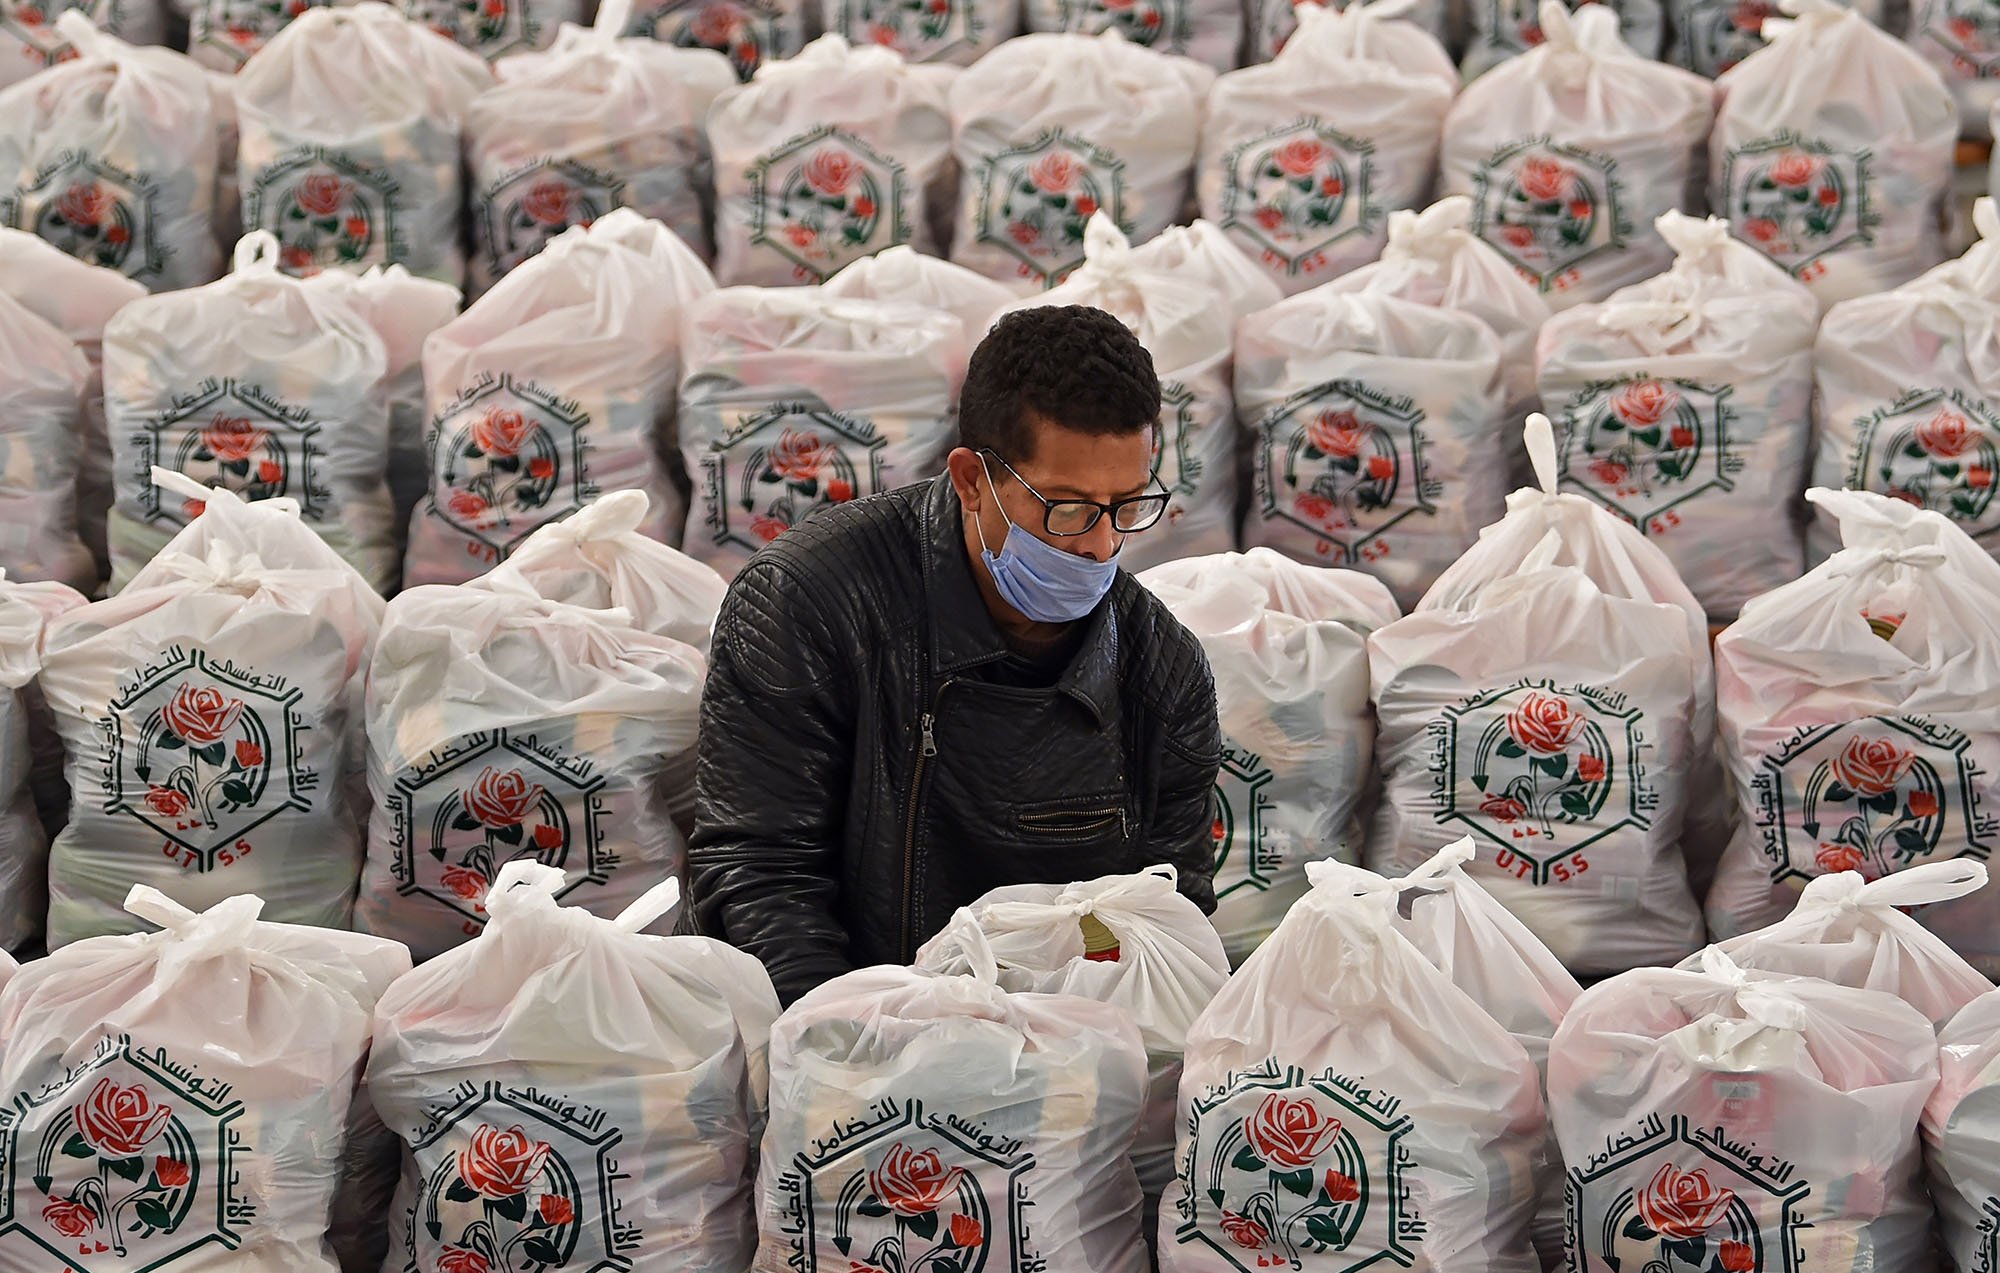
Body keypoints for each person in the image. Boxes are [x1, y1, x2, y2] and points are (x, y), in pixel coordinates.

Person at [685, 305, 1222, 1004]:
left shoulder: (1161, 674)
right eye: (1067, 509)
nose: (1100, 545)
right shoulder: (811, 604)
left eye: (1125, 506)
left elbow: (1167, 917)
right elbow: (761, 874)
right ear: (971, 479)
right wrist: (845, 1050)